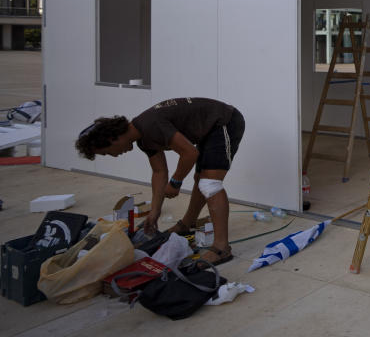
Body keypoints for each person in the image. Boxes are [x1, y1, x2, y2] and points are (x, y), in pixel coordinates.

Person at [75, 98, 244, 266]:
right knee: (201, 178)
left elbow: (190, 153)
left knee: (210, 184)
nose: (113, 155)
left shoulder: (150, 125)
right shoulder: (143, 138)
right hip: (210, 127)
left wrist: (176, 182)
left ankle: (222, 248)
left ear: (112, 138)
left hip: (224, 121)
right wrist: (154, 211)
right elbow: (159, 172)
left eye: (106, 152)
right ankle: (186, 224)